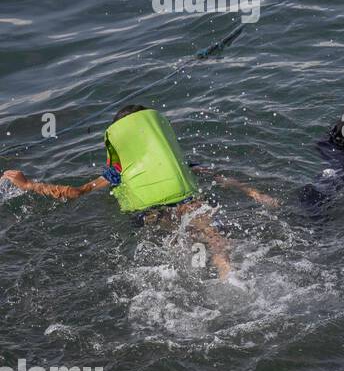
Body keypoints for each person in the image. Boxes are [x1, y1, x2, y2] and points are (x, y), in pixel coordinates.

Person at [2, 104, 275, 279]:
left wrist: (28, 185)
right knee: (214, 239)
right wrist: (254, 194)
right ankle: (229, 278)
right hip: (189, 203)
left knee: (174, 249)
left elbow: (74, 192)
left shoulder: (117, 173)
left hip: (149, 214)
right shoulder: (177, 164)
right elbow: (220, 178)